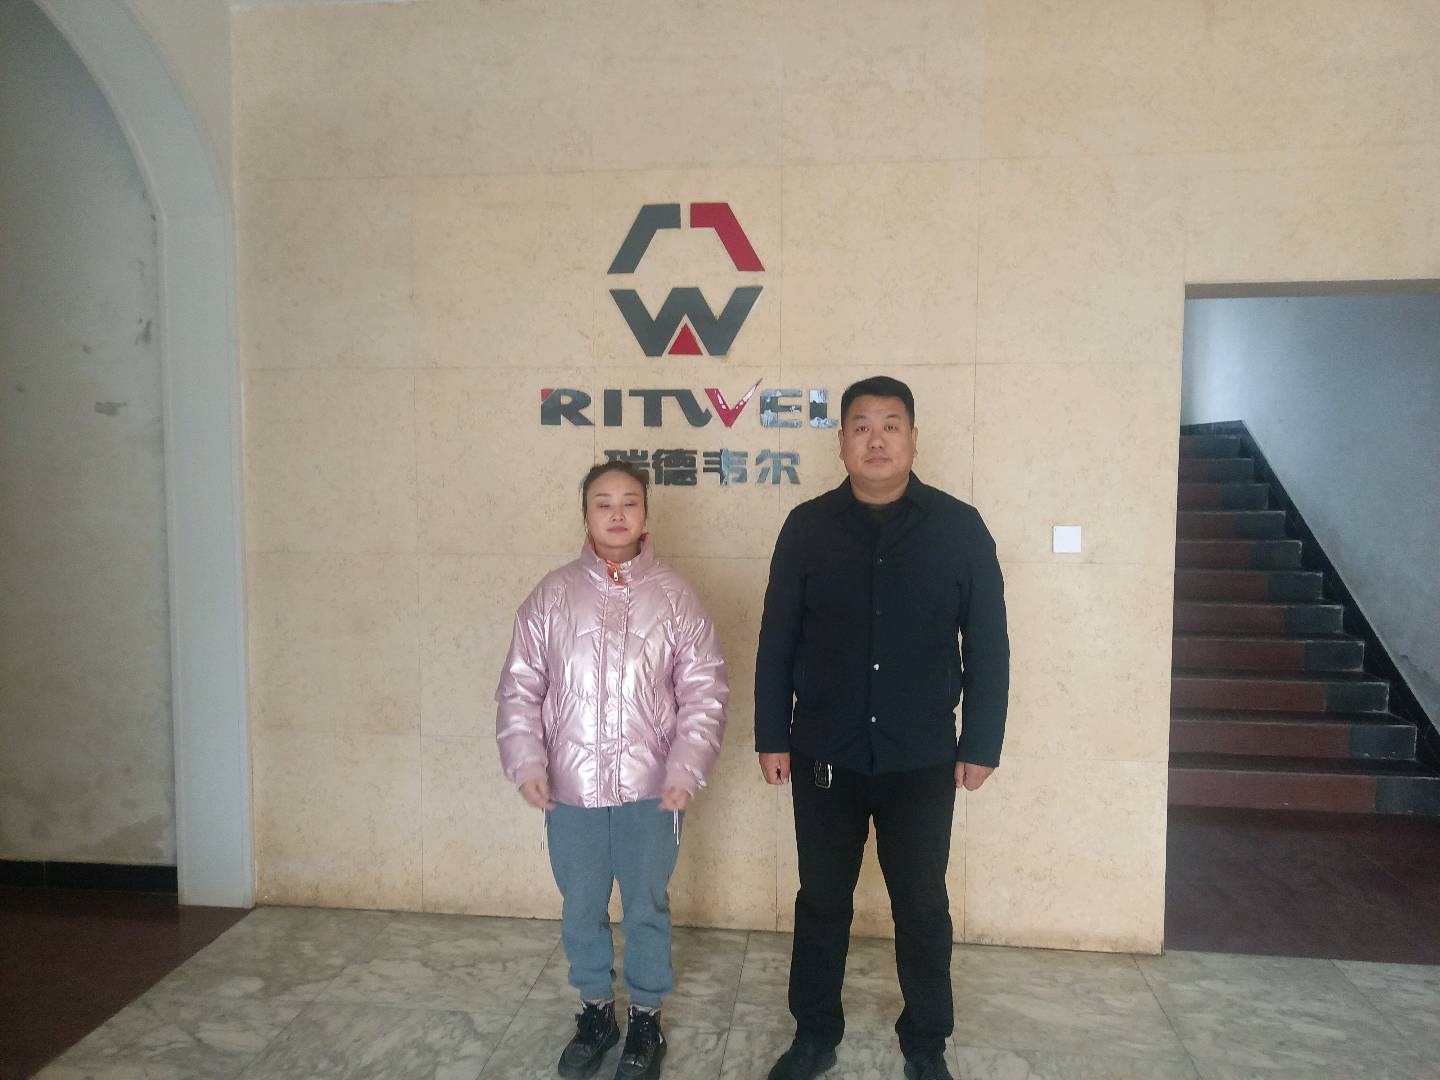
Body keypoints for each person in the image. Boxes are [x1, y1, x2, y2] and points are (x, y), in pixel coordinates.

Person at [754, 375, 1009, 1080]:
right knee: (822, 900)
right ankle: (814, 1035)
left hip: (921, 756)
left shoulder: (960, 528)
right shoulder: (807, 528)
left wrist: (981, 742)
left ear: (914, 439)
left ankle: (926, 1041)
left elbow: (988, 644)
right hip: (822, 753)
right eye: (861, 426)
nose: (876, 439)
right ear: (841, 442)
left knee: (922, 904)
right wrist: (772, 734)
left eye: (890, 425)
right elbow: (777, 639)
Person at [496, 460, 728, 1080]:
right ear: (586, 515)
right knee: (581, 905)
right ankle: (596, 1012)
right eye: (603, 503)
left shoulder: (675, 597)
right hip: (570, 788)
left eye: (629, 501)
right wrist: (527, 762)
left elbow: (704, 691)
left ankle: (646, 1019)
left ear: (646, 513)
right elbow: (520, 688)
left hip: (653, 789)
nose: (617, 513)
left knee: (647, 905)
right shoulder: (551, 597)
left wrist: (686, 769)